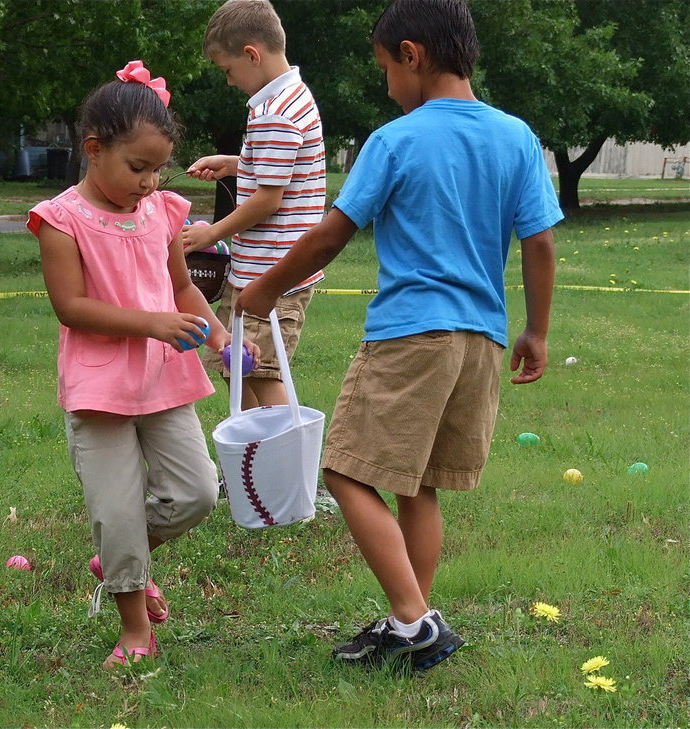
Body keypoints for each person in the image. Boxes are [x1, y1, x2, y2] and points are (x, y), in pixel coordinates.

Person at [235, 0, 562, 672]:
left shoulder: (396, 139)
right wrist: (537, 329)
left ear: (413, 55)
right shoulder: (517, 137)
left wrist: (266, 285)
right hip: (482, 342)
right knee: (420, 484)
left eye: (386, 69)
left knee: (345, 468)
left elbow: (331, 232)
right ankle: (409, 617)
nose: (386, 85)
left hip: (411, 334)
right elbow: (541, 244)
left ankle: (414, 621)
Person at [27, 61, 257, 669]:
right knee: (117, 508)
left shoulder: (162, 214)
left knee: (198, 492)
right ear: (93, 149)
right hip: (99, 389)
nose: (151, 182)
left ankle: (126, 553)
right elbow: (72, 308)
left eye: (159, 168)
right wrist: (153, 324)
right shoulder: (61, 220)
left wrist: (219, 341)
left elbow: (182, 291)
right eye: (138, 168)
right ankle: (134, 627)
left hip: (164, 382)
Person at [181, 0, 326, 411]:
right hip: (266, 269)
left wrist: (210, 233)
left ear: (251, 54)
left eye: (228, 70)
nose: (229, 81)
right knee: (236, 366)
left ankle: (282, 468)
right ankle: (251, 466)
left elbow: (268, 198)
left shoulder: (272, 113)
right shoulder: (293, 97)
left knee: (260, 373)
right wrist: (234, 164)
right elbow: (281, 170)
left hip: (271, 274)